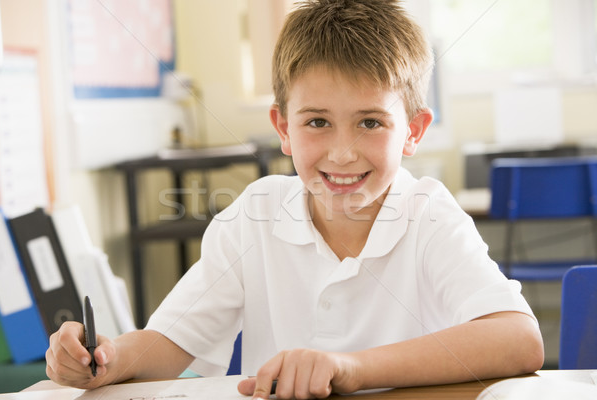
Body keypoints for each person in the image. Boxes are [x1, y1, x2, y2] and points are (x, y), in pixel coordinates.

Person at [46, 1, 544, 398]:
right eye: (317, 122)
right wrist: (105, 359)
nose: (342, 153)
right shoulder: (254, 215)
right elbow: (173, 341)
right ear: (284, 128)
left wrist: (349, 369)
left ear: (413, 131)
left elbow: (519, 340)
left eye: (370, 122)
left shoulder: (429, 215)